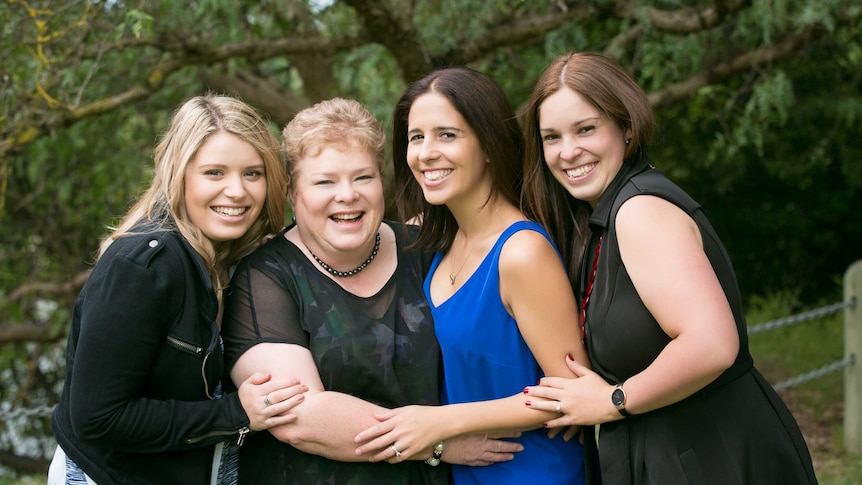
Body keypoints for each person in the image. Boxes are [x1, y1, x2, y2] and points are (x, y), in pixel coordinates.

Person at [520, 52, 818, 484]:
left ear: (625, 128)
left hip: (714, 453)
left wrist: (613, 400)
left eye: (586, 129)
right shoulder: (604, 219)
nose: (568, 151)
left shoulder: (639, 210)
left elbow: (712, 343)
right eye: (552, 137)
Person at [220, 97, 523, 485]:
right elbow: (300, 416)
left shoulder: (429, 249)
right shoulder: (264, 275)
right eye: (324, 181)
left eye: (362, 177)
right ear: (293, 193)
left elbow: (496, 337)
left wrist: (558, 401)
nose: (347, 195)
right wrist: (438, 444)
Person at [48, 94, 307, 485]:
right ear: (179, 173)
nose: (237, 191)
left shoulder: (231, 256)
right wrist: (236, 414)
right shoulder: (142, 268)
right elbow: (97, 419)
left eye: (252, 173)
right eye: (215, 173)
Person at [352, 67, 590, 485]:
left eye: (447, 135)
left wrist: (441, 423)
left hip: (534, 474)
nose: (426, 153)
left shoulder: (521, 252)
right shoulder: (439, 242)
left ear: (489, 146)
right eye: (416, 137)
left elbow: (572, 397)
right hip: (468, 474)